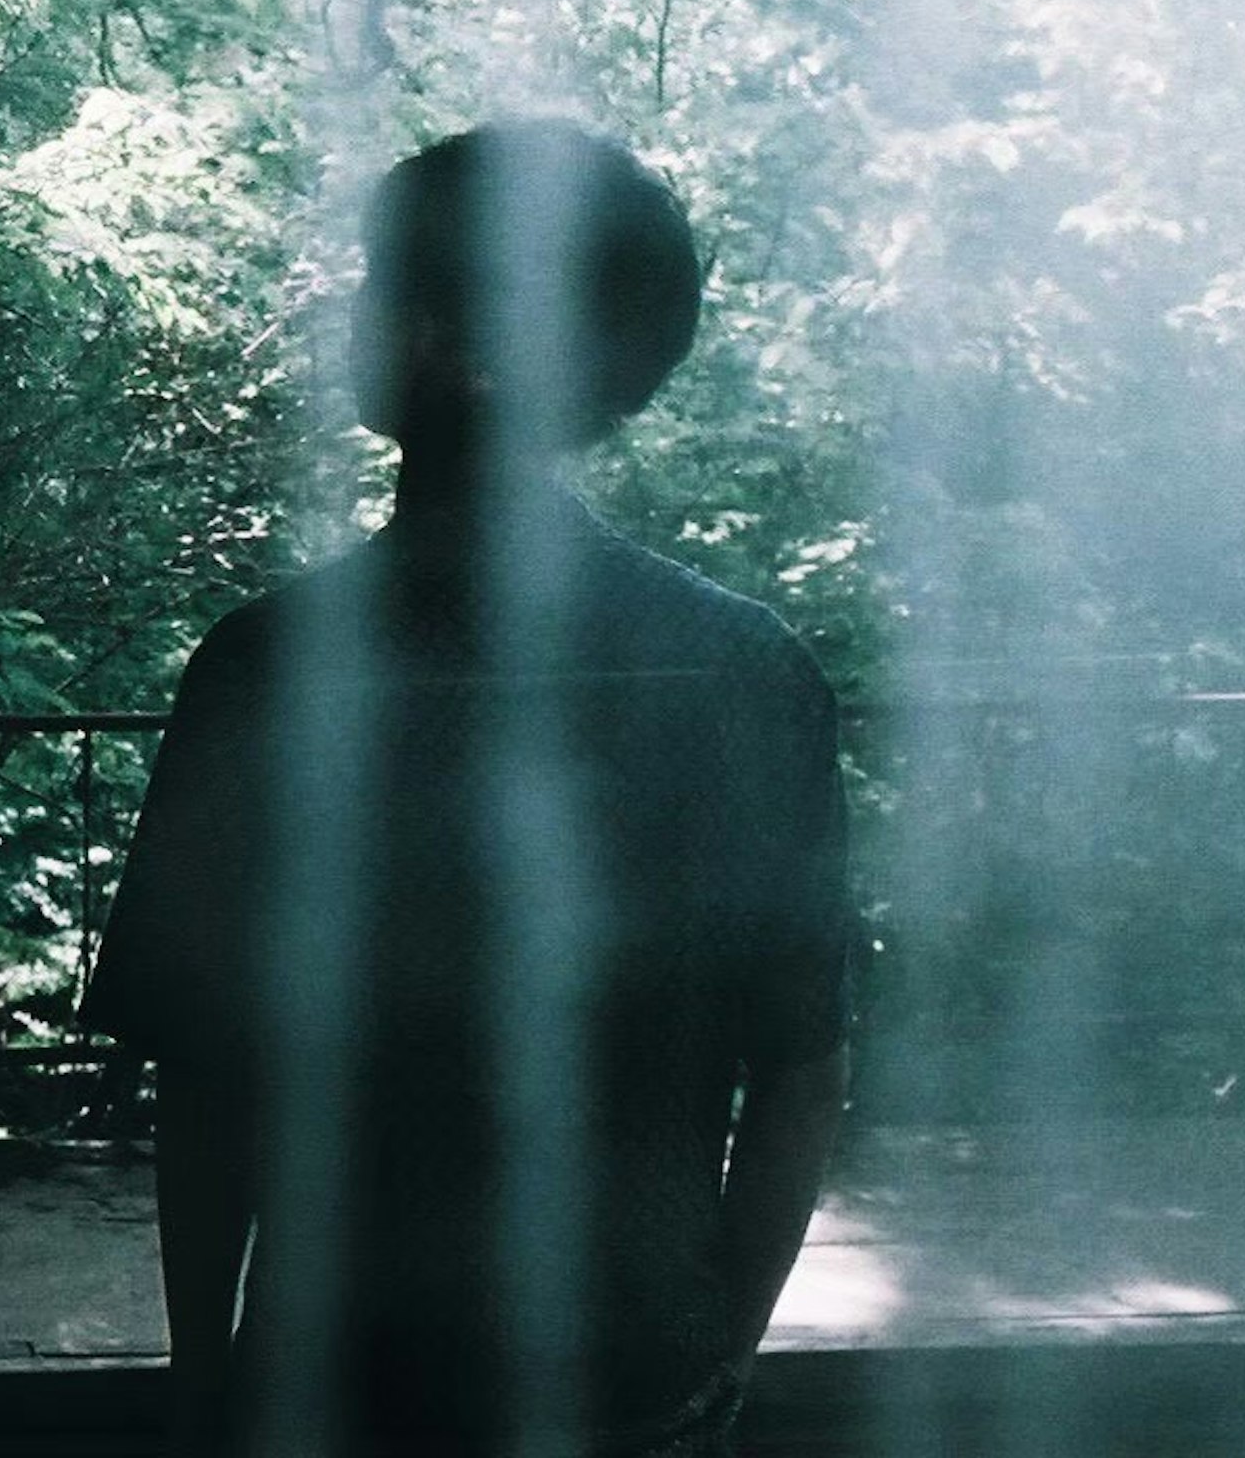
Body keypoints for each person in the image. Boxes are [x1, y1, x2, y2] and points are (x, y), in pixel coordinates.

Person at [82, 122, 852, 1457]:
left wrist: (203, 1376)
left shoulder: (268, 673)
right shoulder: (747, 673)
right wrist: (718, 1341)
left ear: (461, 337)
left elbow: (210, 1088)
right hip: (632, 1369)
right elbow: (800, 1062)